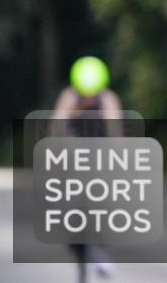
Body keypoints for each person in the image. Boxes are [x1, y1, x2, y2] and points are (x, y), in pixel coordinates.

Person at [52, 56, 124, 282]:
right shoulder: (68, 97)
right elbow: (57, 129)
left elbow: (116, 134)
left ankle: (101, 252)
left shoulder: (109, 99)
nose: (90, 98)